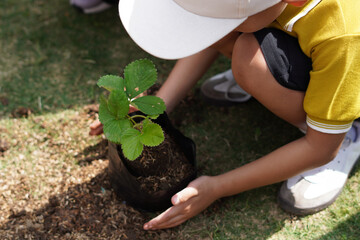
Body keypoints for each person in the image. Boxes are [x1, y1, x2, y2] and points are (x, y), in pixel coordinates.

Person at [91, 0, 360, 230]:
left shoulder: (344, 35)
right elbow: (210, 26)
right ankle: (262, 74)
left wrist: (217, 188)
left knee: (247, 58)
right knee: (238, 42)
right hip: (297, 34)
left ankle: (344, 134)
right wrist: (156, 106)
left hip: (347, 77)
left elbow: (319, 149)